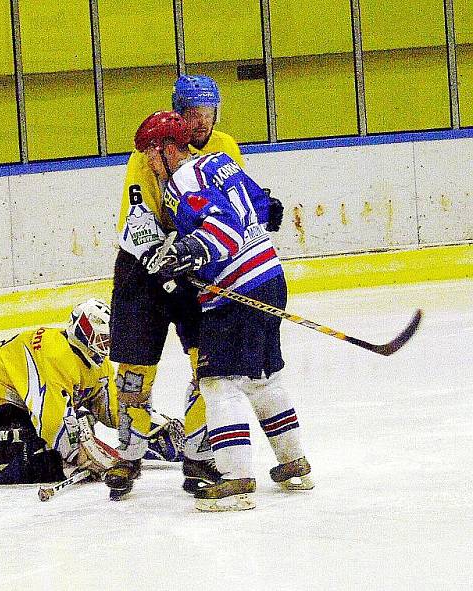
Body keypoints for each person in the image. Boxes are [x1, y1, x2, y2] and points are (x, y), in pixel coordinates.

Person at [107, 75, 282, 499]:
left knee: (209, 364)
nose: (200, 123)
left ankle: (200, 453)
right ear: (178, 115)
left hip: (199, 267)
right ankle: (128, 454)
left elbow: (236, 200)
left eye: (207, 114)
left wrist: (262, 208)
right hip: (144, 272)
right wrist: (165, 256)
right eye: (192, 114)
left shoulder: (225, 146)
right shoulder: (149, 152)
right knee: (134, 369)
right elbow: (138, 217)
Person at [131, 110, 312, 511]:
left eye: (149, 152)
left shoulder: (181, 183)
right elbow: (262, 205)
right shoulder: (220, 163)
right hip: (269, 278)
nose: (147, 161)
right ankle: (294, 462)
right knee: (262, 377)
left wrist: (190, 249)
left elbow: (223, 225)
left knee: (218, 382)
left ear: (166, 149)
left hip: (236, 293)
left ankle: (235, 478)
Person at [0, 299, 184, 488]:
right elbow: (51, 418)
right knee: (44, 460)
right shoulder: (55, 352)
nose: (106, 346)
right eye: (101, 339)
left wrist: (148, 427)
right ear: (82, 332)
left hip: (21, 403)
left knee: (73, 434)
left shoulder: (96, 360)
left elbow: (110, 406)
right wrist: (80, 455)